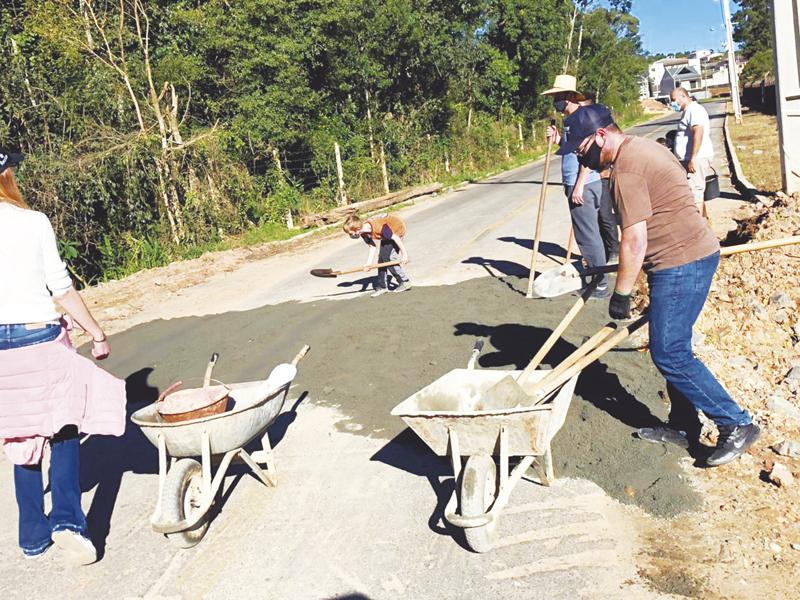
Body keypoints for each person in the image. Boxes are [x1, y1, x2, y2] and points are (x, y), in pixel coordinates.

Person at [564, 106, 760, 467]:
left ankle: (736, 422)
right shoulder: (640, 148)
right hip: (680, 257)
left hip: (682, 261)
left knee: (669, 352)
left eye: (582, 148)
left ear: (602, 136)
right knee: (672, 345)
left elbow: (634, 240)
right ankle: (684, 426)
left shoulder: (628, 168)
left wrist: (621, 294)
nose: (582, 156)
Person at [0, 150, 126, 563]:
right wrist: (96, 332)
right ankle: (69, 521)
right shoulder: (32, 221)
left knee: (22, 433)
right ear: (6, 177)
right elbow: (61, 288)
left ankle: (32, 535)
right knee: (63, 427)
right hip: (40, 336)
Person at [541, 74, 611, 298]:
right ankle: (598, 279)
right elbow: (574, 148)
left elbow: (591, 153)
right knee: (590, 234)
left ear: (571, 97)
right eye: (554, 97)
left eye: (559, 97)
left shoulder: (583, 118)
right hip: (578, 182)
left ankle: (599, 285)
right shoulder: (570, 120)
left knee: (588, 236)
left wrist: (579, 183)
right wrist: (559, 138)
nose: (556, 102)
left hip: (583, 184)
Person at [343, 213, 411, 297]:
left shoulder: (379, 227)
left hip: (397, 229)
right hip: (386, 235)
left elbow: (395, 238)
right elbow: (372, 247)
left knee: (388, 258)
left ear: (357, 229)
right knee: (381, 260)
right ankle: (382, 287)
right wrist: (368, 264)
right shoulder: (363, 233)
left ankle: (404, 281)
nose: (351, 235)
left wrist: (404, 255)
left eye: (350, 233)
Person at [670, 86, 713, 208]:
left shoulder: (694, 110)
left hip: (696, 159)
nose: (672, 103)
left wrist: (693, 158)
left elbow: (698, 132)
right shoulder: (688, 111)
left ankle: (698, 226)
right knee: (695, 192)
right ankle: (704, 221)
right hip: (690, 159)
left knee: (695, 194)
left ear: (683, 96)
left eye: (674, 100)